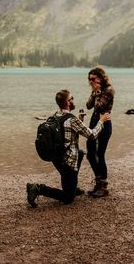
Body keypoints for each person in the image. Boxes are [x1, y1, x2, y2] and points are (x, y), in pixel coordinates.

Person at [26, 89, 111, 208]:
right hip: (67, 161)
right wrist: (101, 121)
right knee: (68, 198)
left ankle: (72, 186)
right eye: (72, 98)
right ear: (67, 102)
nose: (73, 100)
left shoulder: (56, 115)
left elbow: (66, 132)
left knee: (80, 153)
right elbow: (92, 135)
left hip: (57, 158)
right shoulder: (72, 119)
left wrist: (80, 120)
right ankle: (38, 188)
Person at [86, 67, 115, 198]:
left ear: (101, 78)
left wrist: (97, 92)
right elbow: (88, 105)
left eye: (93, 79)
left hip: (104, 124)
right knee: (90, 153)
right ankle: (99, 182)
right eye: (89, 79)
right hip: (94, 122)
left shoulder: (109, 90)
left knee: (100, 154)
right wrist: (94, 92)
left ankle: (102, 185)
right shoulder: (96, 91)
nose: (90, 81)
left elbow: (99, 106)